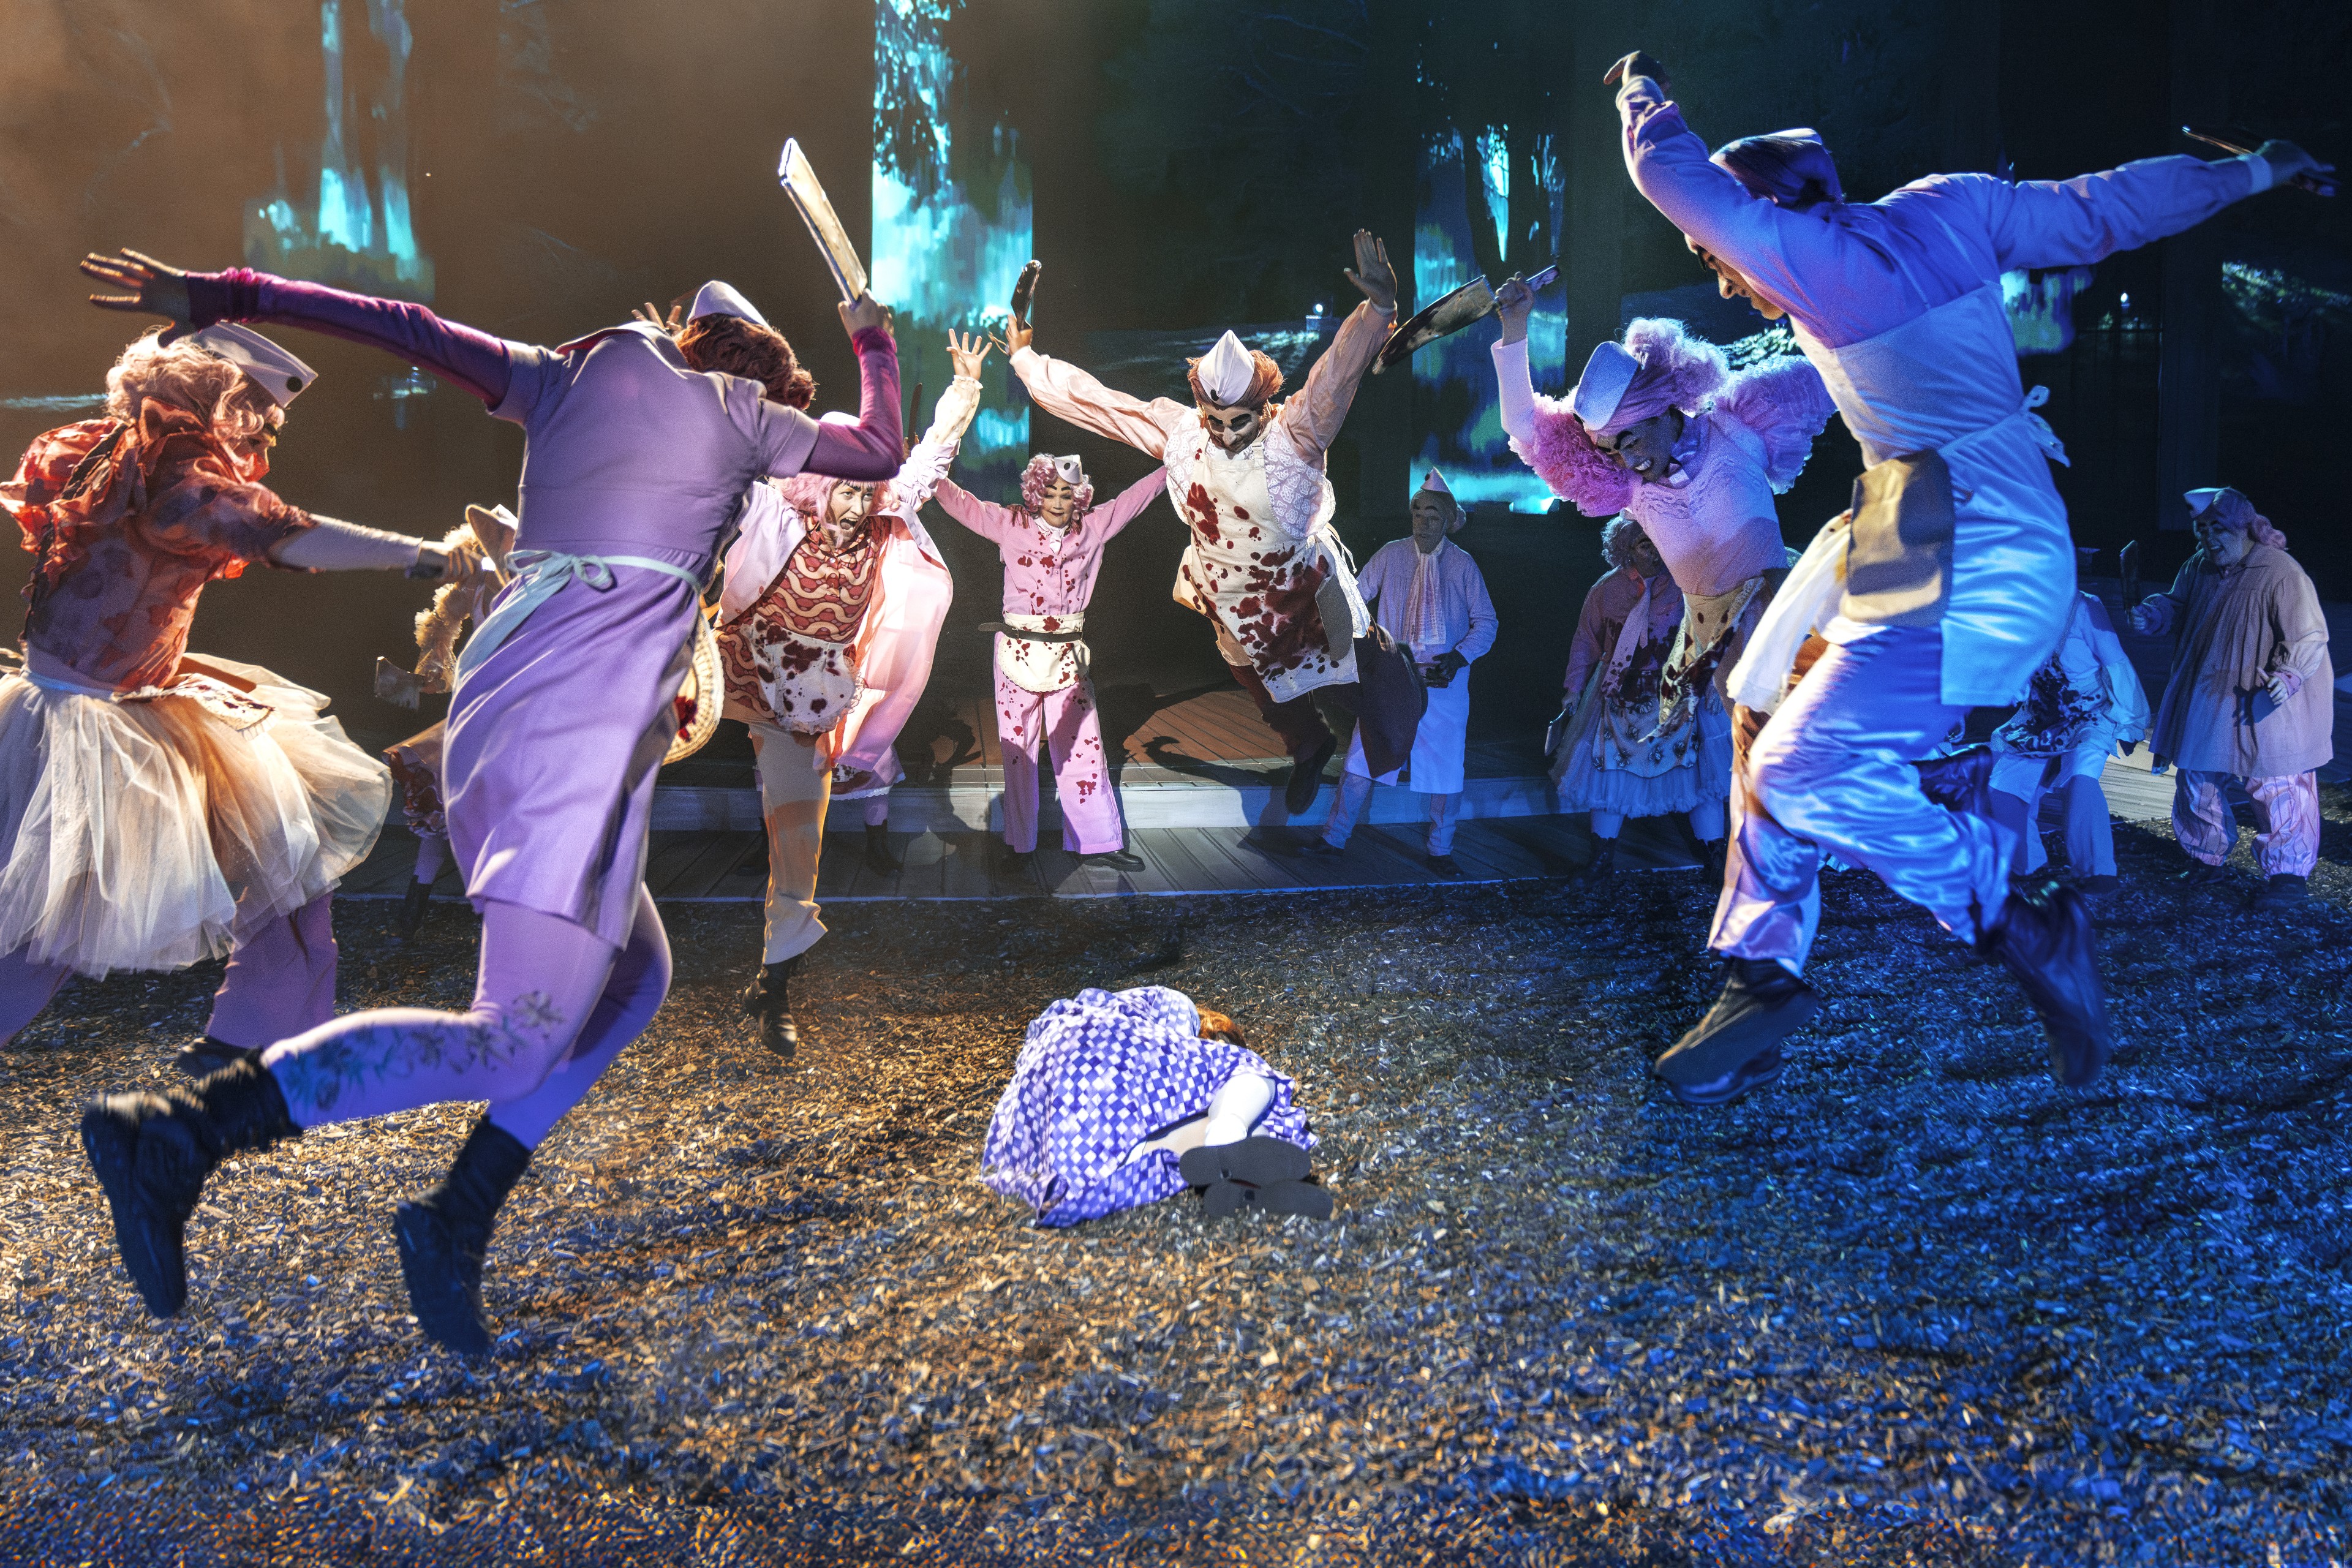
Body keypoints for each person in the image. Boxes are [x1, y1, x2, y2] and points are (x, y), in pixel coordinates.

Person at [71, 252, 902, 1354]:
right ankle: (180, 1133)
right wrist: (873, 335)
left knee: (636, 978)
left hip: (510, 705)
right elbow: (879, 448)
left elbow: (404, 324)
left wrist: (228, 293)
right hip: (576, 736)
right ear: (752, 375)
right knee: (509, 1042)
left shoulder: (564, 376)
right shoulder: (735, 411)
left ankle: (455, 1216)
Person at [1602, 50, 2332, 1103]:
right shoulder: (1947, 207)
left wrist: (1641, 96)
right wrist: (2255, 170)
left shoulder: (1812, 255)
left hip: (1973, 541)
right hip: (1921, 523)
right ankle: (1761, 976)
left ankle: (2019, 918)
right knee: (1761, 699)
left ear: (1770, 208)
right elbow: (2110, 207)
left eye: (1720, 258)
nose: (1725, 277)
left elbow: (1668, 175)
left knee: (1806, 769)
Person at [1, 322, 451, 1071]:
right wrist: (428, 558)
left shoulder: (101, 448)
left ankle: (253, 1042)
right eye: (256, 413)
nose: (264, 434)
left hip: (125, 696)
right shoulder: (171, 476)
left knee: (288, 857)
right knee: (50, 921)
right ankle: (253, 1043)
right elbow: (280, 532)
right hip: (97, 723)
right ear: (217, 398)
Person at [1005, 231, 1401, 815]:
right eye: (1216, 419)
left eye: (1239, 421)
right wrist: (1025, 360)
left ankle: (1395, 703)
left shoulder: (1295, 435)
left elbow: (1335, 377)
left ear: (1262, 407)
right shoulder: (1184, 433)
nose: (1227, 433)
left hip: (1303, 588)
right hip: (1232, 598)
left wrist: (1379, 310)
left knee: (1356, 672)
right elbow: (1102, 404)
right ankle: (1309, 746)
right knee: (1259, 682)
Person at [1492, 304, 1835, 883]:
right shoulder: (1630, 489)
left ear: (1662, 411)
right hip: (1718, 651)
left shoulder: (1740, 428)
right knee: (1761, 766)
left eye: (1629, 441)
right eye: (1612, 451)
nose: (1627, 459)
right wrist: (1515, 328)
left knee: (1808, 745)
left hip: (1783, 621)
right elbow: (1525, 428)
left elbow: (1840, 378)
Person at [718, 330, 978, 1055]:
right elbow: (723, 449)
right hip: (741, 663)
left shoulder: (884, 513)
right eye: (848, 489)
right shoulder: (775, 508)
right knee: (635, 731)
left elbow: (931, 456)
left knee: (799, 845)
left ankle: (774, 985)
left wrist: (963, 389)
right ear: (819, 483)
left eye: (868, 490)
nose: (860, 504)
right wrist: (687, 372)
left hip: (810, 696)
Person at [931, 451, 1167, 873]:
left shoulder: (1093, 528)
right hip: (1017, 654)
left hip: (1067, 657)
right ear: (1036, 493)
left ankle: (1097, 842)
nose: (1058, 502)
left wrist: (1176, 463)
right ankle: (1019, 844)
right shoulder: (1010, 524)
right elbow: (962, 504)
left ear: (1080, 497)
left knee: (1084, 748)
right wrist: (931, 468)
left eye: (1067, 494)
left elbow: (1135, 498)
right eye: (1051, 493)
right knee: (1018, 752)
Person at [2133, 488, 2333, 911]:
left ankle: (2287, 875)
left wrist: (2289, 674)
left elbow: (2309, 633)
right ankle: (2205, 857)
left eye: (2218, 529)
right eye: (2202, 529)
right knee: (2197, 777)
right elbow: (2176, 604)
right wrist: (2154, 613)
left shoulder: (2279, 571)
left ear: (2243, 529)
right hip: (2209, 694)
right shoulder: (2199, 566)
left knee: (2278, 784)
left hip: (2263, 699)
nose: (2209, 538)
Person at [983, 986, 1326, 1225]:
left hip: (1068, 1136)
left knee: (1161, 1143)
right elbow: (1175, 1057)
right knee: (1251, 1073)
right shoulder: (1176, 1006)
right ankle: (1229, 1130)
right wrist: (1226, 1062)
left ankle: (1229, 1158)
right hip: (1099, 1051)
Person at [1308, 468, 1498, 874]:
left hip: (1444, 684)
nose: (1423, 524)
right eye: (1417, 514)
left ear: (1448, 520)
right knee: (1362, 758)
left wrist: (1459, 657)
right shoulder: (1391, 554)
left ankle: (1441, 851)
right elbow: (1357, 598)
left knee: (1446, 770)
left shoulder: (1463, 565)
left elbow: (1487, 623)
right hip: (1394, 678)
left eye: (1433, 516)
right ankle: (1333, 838)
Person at [1547, 515, 1728, 881]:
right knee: (1609, 773)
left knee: (1698, 779)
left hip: (1678, 696)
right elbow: (1587, 639)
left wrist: (1716, 684)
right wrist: (1574, 688)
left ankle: (1718, 862)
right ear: (1627, 547)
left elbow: (1711, 636)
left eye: (1660, 542)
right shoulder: (1606, 590)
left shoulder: (1686, 586)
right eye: (1646, 544)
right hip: (1620, 696)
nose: (1655, 552)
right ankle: (1601, 862)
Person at [380, 503, 518, 940]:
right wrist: (434, 665)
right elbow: (441, 627)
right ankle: (415, 914)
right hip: (480, 704)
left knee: (492, 809)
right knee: (444, 811)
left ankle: (500, 916)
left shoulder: (523, 584)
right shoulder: (476, 587)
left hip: (511, 706)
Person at [1984, 590, 2151, 896]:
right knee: (2001, 784)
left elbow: (2116, 663)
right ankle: (2027, 866)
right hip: (2041, 715)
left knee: (2080, 780)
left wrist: (2131, 721)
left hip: (2090, 713)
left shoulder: (2084, 606)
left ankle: (2098, 872)